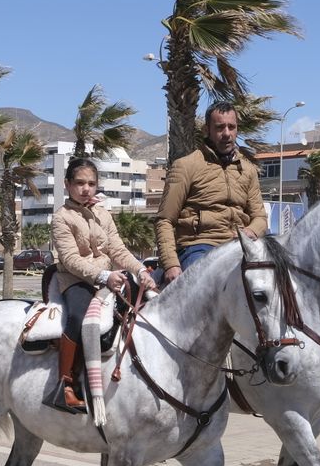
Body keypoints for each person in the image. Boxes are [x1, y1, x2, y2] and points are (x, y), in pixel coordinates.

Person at [48, 157, 156, 413]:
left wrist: (140, 270)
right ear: (67, 184)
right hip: (74, 279)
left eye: (91, 183)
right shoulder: (61, 218)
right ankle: (65, 384)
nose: (86, 188)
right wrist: (104, 276)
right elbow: (71, 259)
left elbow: (118, 249)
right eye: (80, 183)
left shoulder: (102, 214)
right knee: (78, 316)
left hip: (107, 278)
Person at [154, 101, 268, 284]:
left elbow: (260, 218)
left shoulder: (248, 170)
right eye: (220, 127)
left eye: (232, 127)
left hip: (240, 246)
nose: (227, 134)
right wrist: (170, 264)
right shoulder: (186, 166)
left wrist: (250, 232)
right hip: (198, 248)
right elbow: (165, 220)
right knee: (205, 283)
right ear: (207, 130)